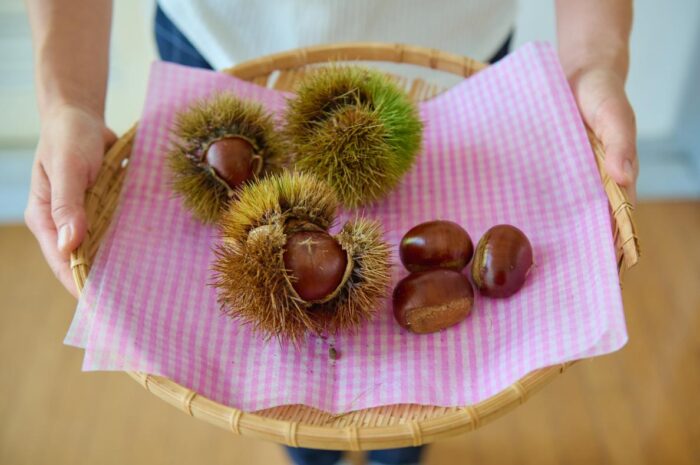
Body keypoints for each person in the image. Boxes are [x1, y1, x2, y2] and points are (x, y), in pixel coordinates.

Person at [25, 1, 638, 464]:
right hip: (216, 43)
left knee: (413, 429)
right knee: (300, 432)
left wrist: (594, 62)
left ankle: (398, 454)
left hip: (460, 48)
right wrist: (69, 102)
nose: (316, 251)